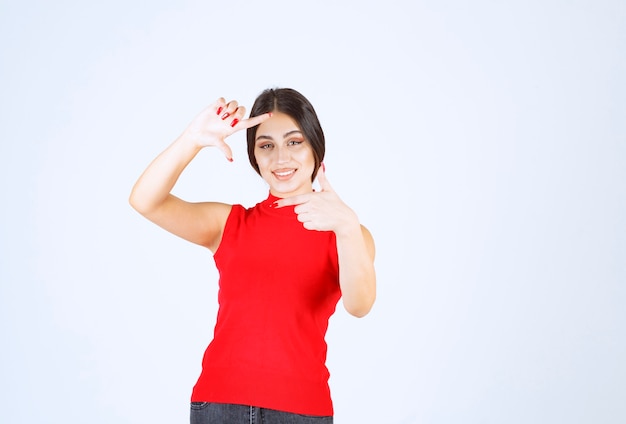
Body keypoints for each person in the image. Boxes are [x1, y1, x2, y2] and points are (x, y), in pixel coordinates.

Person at [129, 88, 376, 423]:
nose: (281, 158)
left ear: (316, 147)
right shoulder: (229, 224)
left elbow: (359, 305)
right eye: (266, 146)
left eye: (294, 142)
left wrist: (347, 225)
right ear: (254, 157)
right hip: (218, 405)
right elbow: (145, 200)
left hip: (300, 411)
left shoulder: (348, 234)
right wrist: (192, 138)